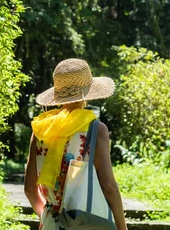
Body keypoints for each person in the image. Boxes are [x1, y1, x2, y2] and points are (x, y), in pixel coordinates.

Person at [24, 58, 128, 230]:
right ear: (88, 92)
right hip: (87, 224)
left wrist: (51, 219)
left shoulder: (41, 129)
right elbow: (109, 187)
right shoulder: (95, 129)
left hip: (51, 224)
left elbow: (29, 190)